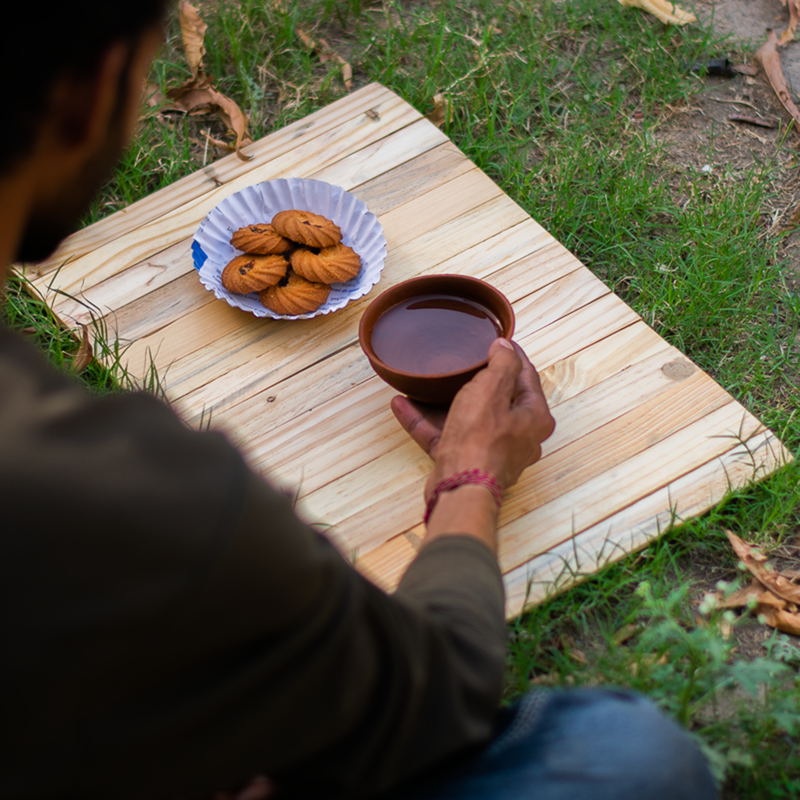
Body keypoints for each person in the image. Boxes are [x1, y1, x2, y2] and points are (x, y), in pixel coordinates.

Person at [0, 4, 717, 799]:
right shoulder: (137, 495)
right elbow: (431, 696)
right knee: (628, 752)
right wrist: (470, 480)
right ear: (89, 96)